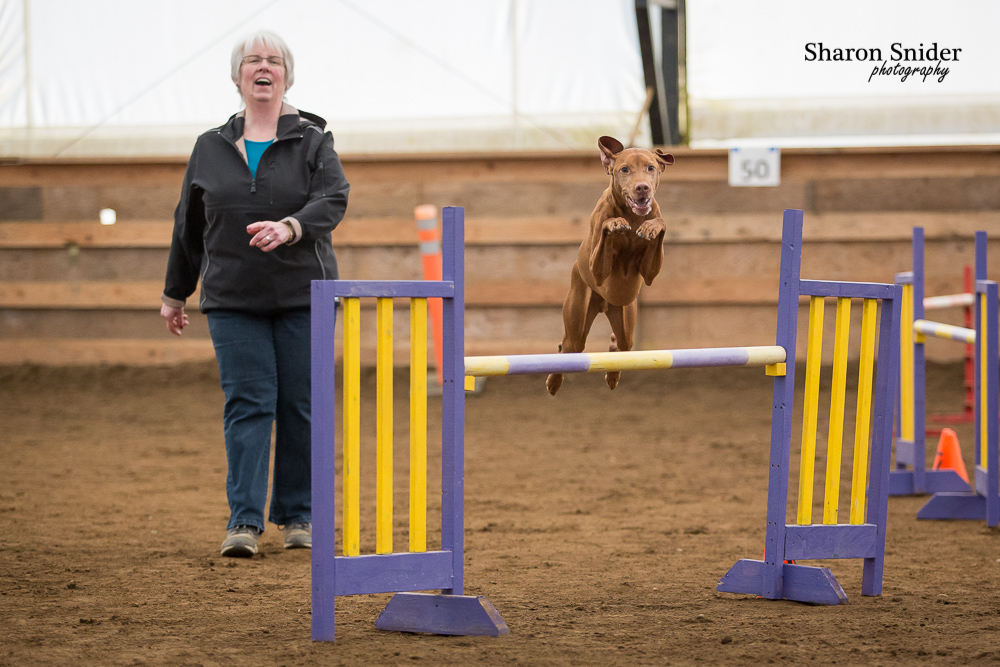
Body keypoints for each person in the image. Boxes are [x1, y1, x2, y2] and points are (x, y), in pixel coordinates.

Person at [160, 30, 350, 558]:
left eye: (273, 61)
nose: (262, 67)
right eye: (252, 61)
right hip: (232, 300)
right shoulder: (209, 146)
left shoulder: (314, 140)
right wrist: (176, 293)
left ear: (286, 75)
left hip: (303, 296)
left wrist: (291, 226)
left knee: (299, 406)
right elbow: (188, 224)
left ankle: (297, 516)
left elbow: (334, 198)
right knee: (248, 405)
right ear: (239, 76)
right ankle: (243, 522)